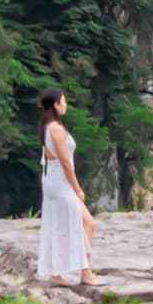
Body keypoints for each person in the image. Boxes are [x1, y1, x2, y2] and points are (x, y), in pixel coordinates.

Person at [34, 88, 93, 289]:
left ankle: (62, 271)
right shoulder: (56, 129)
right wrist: (77, 189)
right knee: (83, 223)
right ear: (56, 105)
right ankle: (84, 271)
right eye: (63, 102)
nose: (66, 105)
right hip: (61, 184)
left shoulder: (48, 126)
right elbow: (66, 162)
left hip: (54, 182)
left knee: (66, 224)